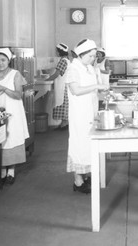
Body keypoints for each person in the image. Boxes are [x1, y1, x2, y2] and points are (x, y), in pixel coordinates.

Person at [65, 39, 108, 194]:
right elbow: (76, 90)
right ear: (81, 54)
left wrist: (100, 91)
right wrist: (97, 86)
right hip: (79, 114)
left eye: (94, 56)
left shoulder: (88, 67)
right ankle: (78, 181)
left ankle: (84, 175)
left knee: (88, 145)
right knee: (79, 145)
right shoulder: (73, 68)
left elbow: (90, 88)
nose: (93, 59)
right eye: (90, 56)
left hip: (90, 111)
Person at [0, 48, 29, 186]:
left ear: (8, 61)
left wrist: (3, 88)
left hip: (13, 112)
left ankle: (11, 171)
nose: (0, 63)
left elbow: (18, 95)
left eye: (3, 60)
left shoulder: (15, 74)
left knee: (11, 138)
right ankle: (2, 170)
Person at [48, 43, 70, 130]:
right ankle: (64, 123)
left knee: (62, 103)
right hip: (65, 85)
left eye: (56, 51)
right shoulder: (67, 60)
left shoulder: (63, 61)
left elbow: (57, 74)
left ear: (59, 52)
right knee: (64, 104)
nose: (56, 52)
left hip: (62, 86)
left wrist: (47, 80)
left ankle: (64, 124)